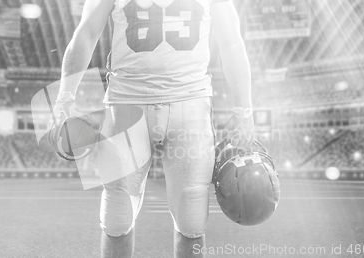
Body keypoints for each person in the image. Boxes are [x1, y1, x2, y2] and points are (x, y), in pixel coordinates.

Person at [51, 0, 254, 257]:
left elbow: (231, 41)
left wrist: (244, 110)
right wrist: (64, 98)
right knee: (117, 216)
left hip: (189, 103)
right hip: (126, 103)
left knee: (191, 218)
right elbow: (86, 32)